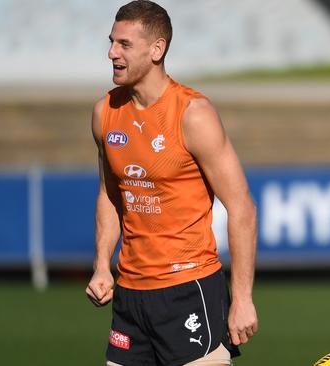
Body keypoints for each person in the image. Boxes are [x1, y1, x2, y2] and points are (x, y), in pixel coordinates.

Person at [84, 1, 258, 365]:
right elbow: (110, 194)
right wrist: (102, 264)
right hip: (129, 298)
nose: (112, 52)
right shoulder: (105, 112)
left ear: (157, 50)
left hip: (188, 290)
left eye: (124, 44)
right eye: (112, 42)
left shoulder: (194, 114)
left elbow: (242, 206)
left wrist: (241, 298)